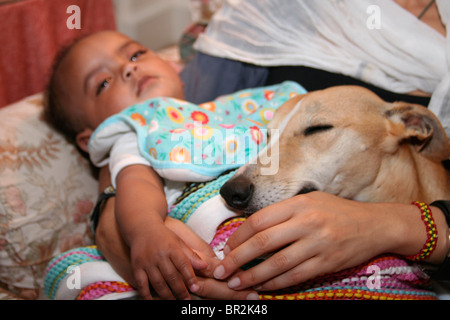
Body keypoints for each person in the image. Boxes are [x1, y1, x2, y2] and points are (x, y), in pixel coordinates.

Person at [177, 0, 450, 294]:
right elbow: (175, 116)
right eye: (273, 138)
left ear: (411, 126)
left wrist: (395, 228)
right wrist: (133, 217)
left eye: (316, 129)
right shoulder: (261, 13)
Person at [44, 30, 305, 300]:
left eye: (136, 55)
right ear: (92, 137)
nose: (129, 68)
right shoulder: (139, 128)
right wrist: (146, 232)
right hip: (208, 252)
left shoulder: (233, 110)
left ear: (173, 66)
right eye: (103, 83)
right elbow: (137, 181)